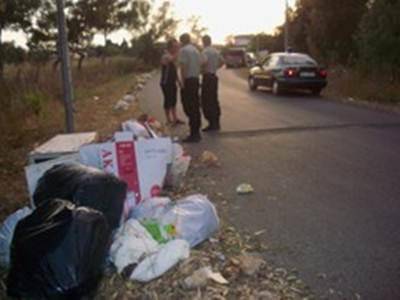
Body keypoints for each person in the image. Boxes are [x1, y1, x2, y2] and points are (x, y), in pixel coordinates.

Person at [178, 33, 203, 143]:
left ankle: (194, 134)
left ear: (182, 41)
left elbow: (183, 67)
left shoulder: (183, 50)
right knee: (195, 106)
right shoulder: (196, 50)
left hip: (188, 81)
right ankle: (196, 131)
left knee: (188, 106)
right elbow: (203, 62)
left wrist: (182, 83)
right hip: (196, 79)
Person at [201, 35, 224, 131]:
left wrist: (201, 69)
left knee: (206, 101)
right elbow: (222, 62)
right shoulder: (215, 51)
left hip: (207, 77)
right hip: (214, 76)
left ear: (203, 42)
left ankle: (211, 123)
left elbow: (203, 62)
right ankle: (216, 122)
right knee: (214, 100)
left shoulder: (205, 51)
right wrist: (215, 67)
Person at [160, 38, 184, 125]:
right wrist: (179, 50)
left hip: (172, 82)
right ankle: (168, 119)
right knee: (168, 100)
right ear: (170, 47)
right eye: (175, 47)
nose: (176, 48)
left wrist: (179, 81)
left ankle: (175, 118)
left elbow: (174, 70)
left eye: (177, 46)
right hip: (165, 82)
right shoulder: (165, 55)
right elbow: (170, 60)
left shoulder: (173, 56)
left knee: (174, 100)